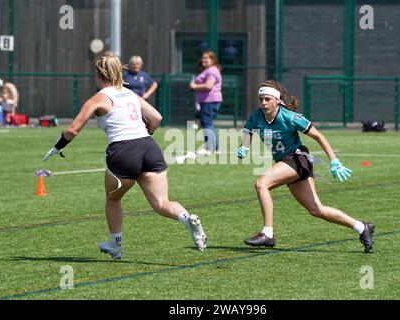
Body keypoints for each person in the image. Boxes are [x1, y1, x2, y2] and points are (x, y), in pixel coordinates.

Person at [43, 56, 206, 260]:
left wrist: (58, 147)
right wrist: (148, 132)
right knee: (161, 203)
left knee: (113, 199)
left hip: (123, 151)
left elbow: (73, 129)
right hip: (149, 147)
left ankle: (115, 245)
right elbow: (156, 118)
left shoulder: (98, 98)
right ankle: (186, 218)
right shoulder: (129, 93)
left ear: (98, 75)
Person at [237, 80, 375, 253]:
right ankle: (362, 228)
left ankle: (268, 233)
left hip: (297, 158)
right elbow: (248, 131)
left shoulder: (290, 117)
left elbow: (319, 136)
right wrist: (244, 146)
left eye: (267, 99)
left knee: (261, 184)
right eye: (261, 99)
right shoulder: (257, 116)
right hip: (287, 162)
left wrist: (334, 161)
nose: (264, 103)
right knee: (317, 210)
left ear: (277, 100)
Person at [190, 50, 223, 155]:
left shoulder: (212, 71)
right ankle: (215, 149)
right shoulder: (210, 70)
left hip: (209, 101)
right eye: (203, 58)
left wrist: (195, 86)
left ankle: (209, 148)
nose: (203, 60)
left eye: (206, 58)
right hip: (208, 101)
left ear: (212, 60)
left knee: (207, 124)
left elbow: (209, 85)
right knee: (207, 124)